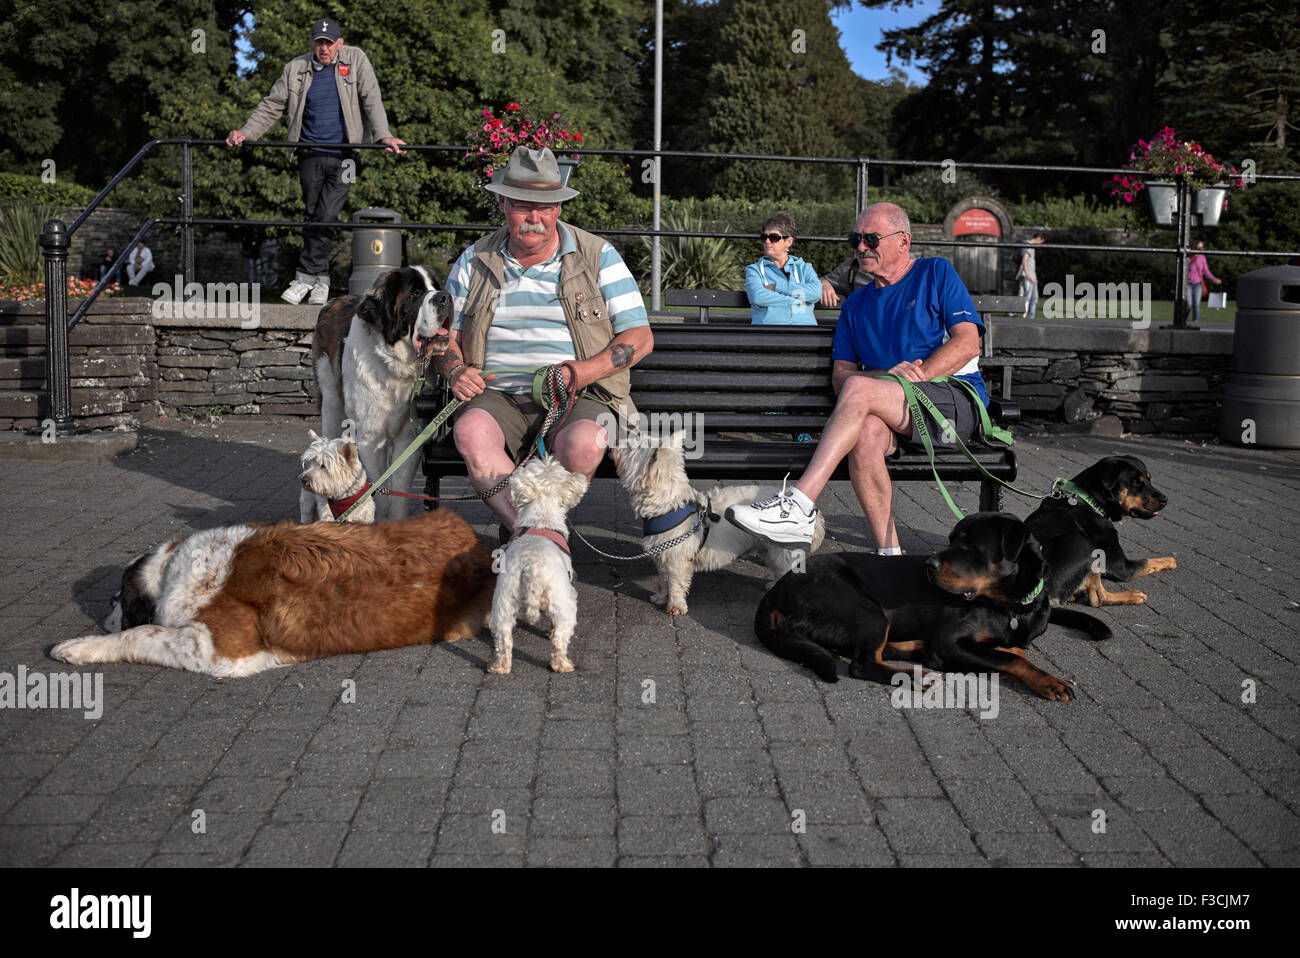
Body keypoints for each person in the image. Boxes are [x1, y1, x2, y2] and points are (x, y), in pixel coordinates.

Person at [727, 202, 989, 554]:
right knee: (864, 432)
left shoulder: (935, 273)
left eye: (871, 239)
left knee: (859, 388)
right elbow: (842, 377)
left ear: (903, 241)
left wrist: (919, 375)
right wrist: (886, 378)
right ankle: (890, 554)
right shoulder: (855, 304)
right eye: (856, 239)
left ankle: (799, 504)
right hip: (893, 410)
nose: (861, 247)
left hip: (951, 402)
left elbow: (969, 343)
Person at [437, 147, 654, 541]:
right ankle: (542, 536)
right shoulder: (474, 259)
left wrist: (581, 371)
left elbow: (640, 338)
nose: (535, 218)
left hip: (578, 394)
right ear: (502, 202)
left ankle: (528, 533)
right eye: (523, 206)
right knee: (470, 433)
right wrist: (454, 369)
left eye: (546, 206)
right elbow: (444, 340)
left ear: (558, 207)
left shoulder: (597, 255)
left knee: (588, 443)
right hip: (495, 393)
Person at [226, 16, 405, 306]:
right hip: (310, 153)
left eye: (329, 42)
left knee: (328, 214)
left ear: (340, 43)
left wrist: (383, 135)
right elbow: (272, 105)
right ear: (312, 43)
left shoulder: (356, 59)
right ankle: (320, 280)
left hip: (346, 156)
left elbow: (372, 97)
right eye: (319, 42)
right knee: (312, 215)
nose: (324, 48)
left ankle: (304, 276)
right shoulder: (295, 68)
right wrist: (246, 132)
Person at [745, 213, 822, 325]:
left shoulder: (804, 268)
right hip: (768, 333)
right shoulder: (754, 270)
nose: (767, 241)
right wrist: (798, 301)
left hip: (805, 332)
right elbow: (757, 297)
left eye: (773, 237)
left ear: (788, 242)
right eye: (764, 237)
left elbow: (816, 292)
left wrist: (776, 287)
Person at [1186, 240, 1221, 325]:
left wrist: (1214, 279)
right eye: (1200, 248)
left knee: (1196, 305)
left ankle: (1195, 322)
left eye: (1202, 247)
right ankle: (1183, 321)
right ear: (1195, 248)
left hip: (1198, 284)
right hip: (1187, 284)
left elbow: (1206, 271)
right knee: (1188, 304)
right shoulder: (1187, 257)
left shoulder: (1202, 258)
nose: (1202, 249)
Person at [1017, 232, 1045, 317]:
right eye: (1041, 242)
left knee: (1034, 298)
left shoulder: (1031, 247)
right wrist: (1028, 275)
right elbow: (1024, 261)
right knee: (1027, 297)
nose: (1040, 244)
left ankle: (1031, 317)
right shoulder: (1028, 246)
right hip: (1028, 276)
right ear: (1039, 238)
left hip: (1033, 276)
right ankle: (1022, 315)